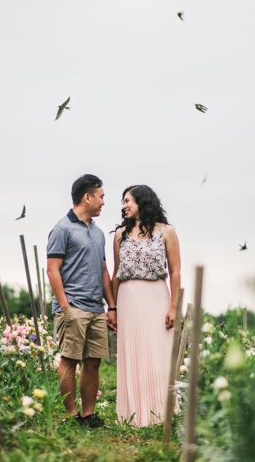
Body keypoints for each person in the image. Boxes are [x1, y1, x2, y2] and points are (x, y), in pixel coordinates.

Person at [46, 174, 117, 428]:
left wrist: (112, 306)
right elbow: (52, 270)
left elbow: (103, 272)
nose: (103, 202)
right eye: (101, 196)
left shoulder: (98, 234)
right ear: (87, 197)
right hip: (73, 307)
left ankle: (88, 415)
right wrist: (65, 306)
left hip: (96, 308)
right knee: (69, 360)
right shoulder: (61, 229)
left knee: (94, 362)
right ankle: (71, 416)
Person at [111, 184, 181, 426]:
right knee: (133, 352)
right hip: (128, 298)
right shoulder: (119, 235)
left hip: (156, 296)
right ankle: (132, 413)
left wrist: (174, 307)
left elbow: (175, 271)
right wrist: (113, 308)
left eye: (128, 200)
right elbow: (116, 274)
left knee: (157, 351)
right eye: (123, 201)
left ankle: (160, 412)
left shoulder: (167, 231)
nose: (124, 205)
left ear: (143, 202)